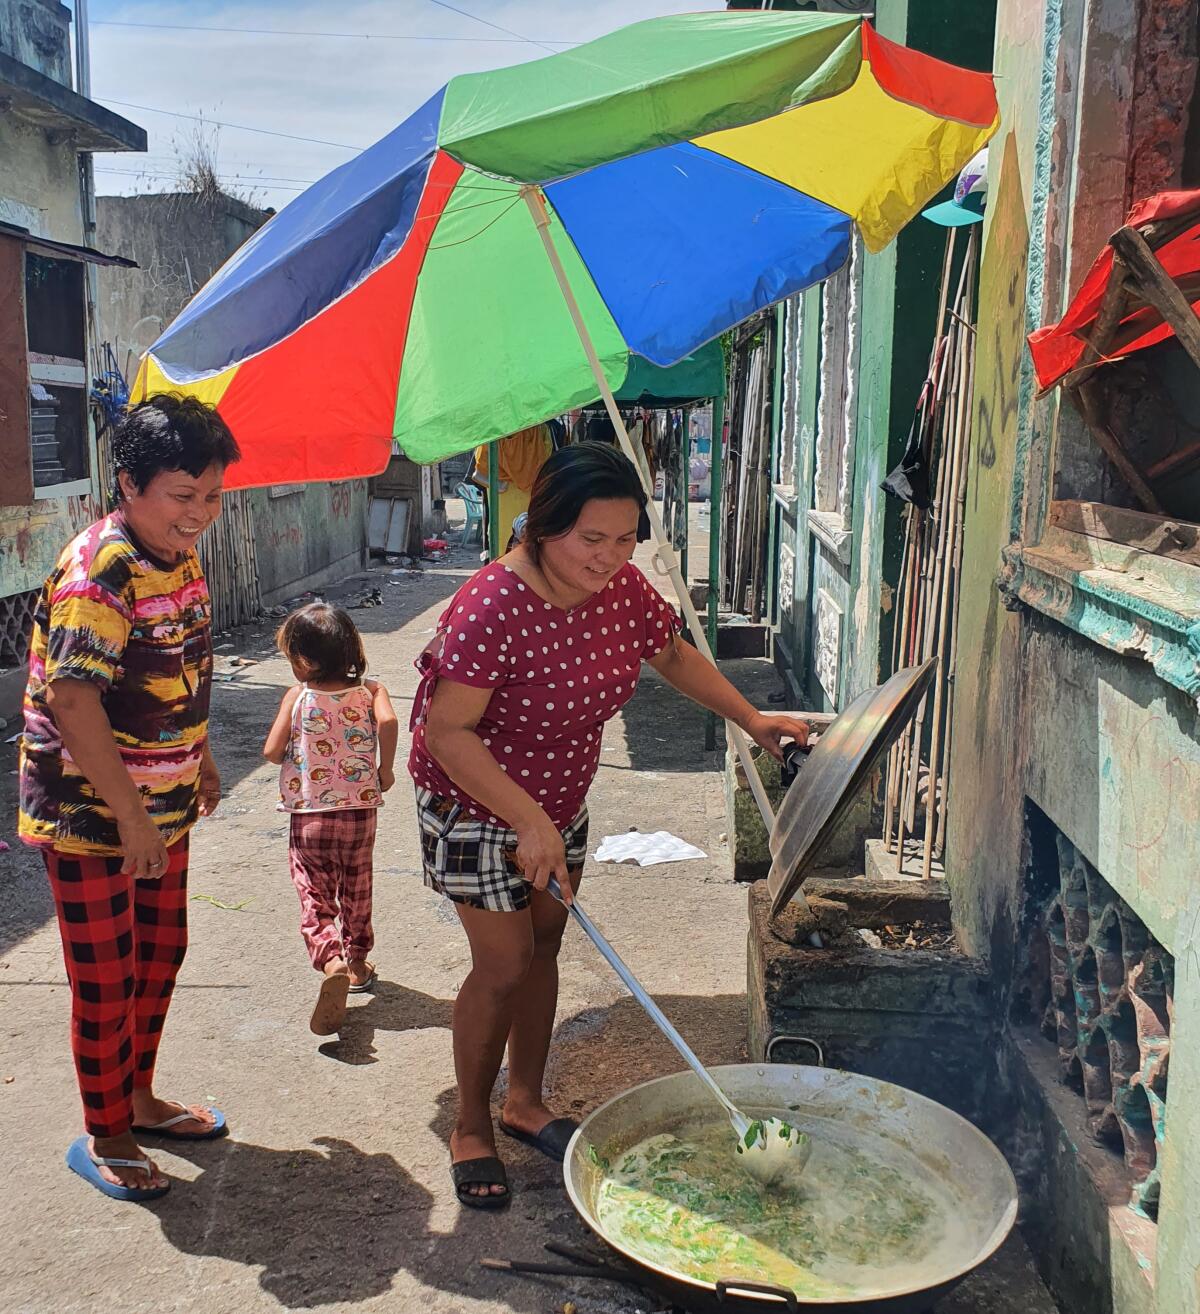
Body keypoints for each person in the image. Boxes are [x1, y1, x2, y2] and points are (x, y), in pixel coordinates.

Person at [407, 442, 809, 1208]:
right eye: (592, 539)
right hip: (474, 801)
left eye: (626, 540)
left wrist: (752, 719)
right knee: (503, 962)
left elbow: (671, 654)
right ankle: (470, 1125)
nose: (610, 557)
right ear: (544, 525)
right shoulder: (493, 605)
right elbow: (447, 735)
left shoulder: (620, 590)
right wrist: (525, 819)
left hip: (559, 800)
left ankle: (526, 1102)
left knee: (548, 943)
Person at [18, 394, 240, 1202]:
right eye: (184, 496)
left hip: (160, 802)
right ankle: (105, 1133)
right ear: (129, 483)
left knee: (159, 953)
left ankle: (139, 1099)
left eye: (212, 496)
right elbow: (73, 703)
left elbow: (187, 668)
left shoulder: (176, 557)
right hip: (92, 816)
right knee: (106, 978)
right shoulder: (97, 572)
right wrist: (132, 819)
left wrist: (204, 758)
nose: (201, 515)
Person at [264, 603, 398, 1036]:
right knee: (357, 885)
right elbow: (390, 722)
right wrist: (385, 769)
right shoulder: (371, 691)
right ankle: (358, 964)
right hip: (360, 810)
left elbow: (270, 752)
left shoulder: (298, 697)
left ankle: (331, 957)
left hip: (310, 815)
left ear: (302, 660)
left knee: (313, 893)